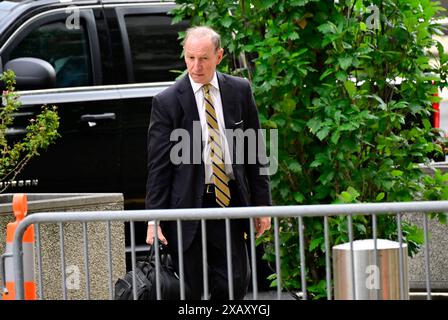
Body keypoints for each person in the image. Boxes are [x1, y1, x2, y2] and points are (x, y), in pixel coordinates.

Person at [145, 26, 271, 300]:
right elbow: (158, 168)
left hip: (229, 205)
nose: (195, 66)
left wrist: (262, 206)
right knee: (192, 290)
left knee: (234, 286)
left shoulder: (239, 91)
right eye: (190, 58)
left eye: (203, 58)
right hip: (188, 208)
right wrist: (153, 220)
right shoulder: (167, 102)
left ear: (219, 55)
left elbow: (255, 151)